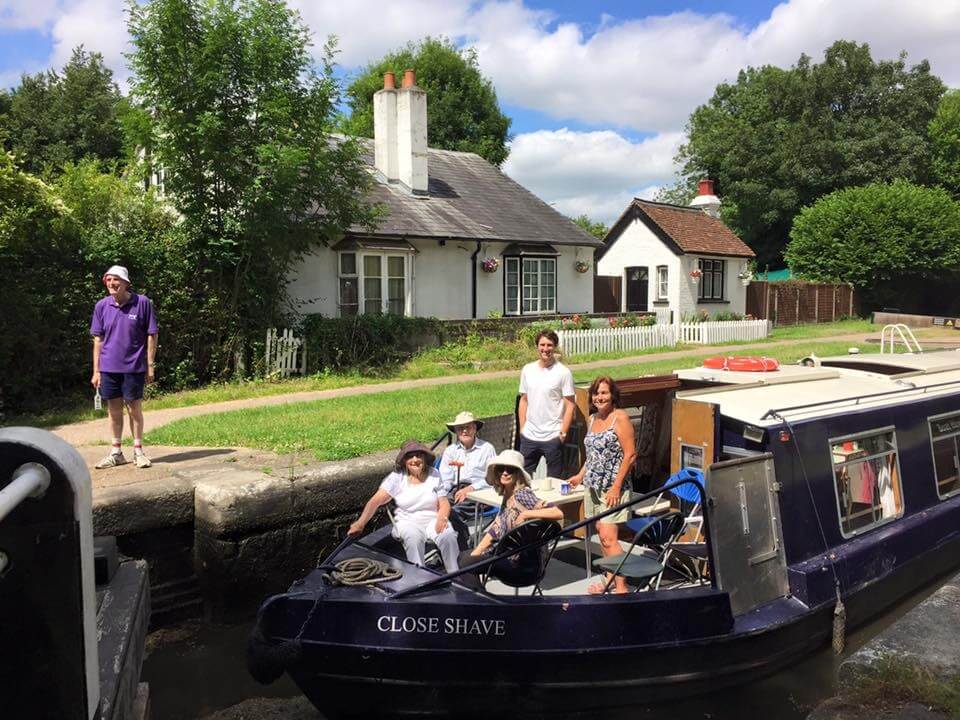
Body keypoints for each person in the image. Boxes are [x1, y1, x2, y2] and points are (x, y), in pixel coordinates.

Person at [567, 376, 636, 594]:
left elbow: (631, 455)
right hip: (593, 486)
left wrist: (616, 487)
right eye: (596, 393)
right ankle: (609, 579)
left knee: (608, 536)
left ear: (613, 395)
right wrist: (579, 475)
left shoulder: (621, 418)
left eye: (604, 393)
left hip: (613, 488)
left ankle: (622, 587)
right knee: (601, 534)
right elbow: (594, 455)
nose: (600, 397)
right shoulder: (592, 419)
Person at [457, 449, 563, 589]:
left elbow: (557, 513)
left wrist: (526, 514)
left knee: (465, 563)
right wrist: (477, 552)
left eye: (510, 470)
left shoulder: (522, 495)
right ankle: (480, 598)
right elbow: (495, 529)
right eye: (501, 469)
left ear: (518, 474)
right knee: (464, 557)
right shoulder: (507, 497)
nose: (505, 473)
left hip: (522, 566)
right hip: (508, 559)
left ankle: (481, 601)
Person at [348, 440, 459, 572]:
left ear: (424, 458)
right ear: (404, 461)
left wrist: (442, 518)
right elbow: (375, 501)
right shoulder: (397, 477)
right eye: (410, 456)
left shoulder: (434, 474)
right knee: (413, 538)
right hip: (407, 521)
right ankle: (419, 576)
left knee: (448, 535)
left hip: (432, 519)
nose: (415, 460)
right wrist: (361, 523)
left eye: (419, 455)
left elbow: (444, 502)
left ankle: (454, 573)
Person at [90, 265, 158, 469]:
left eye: (116, 280)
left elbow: (152, 333)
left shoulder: (143, 303)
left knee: (134, 409)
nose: (112, 283)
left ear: (126, 283)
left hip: (134, 367)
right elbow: (98, 340)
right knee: (113, 411)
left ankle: (138, 452)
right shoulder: (101, 306)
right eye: (108, 280)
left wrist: (150, 364)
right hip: (108, 368)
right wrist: (96, 371)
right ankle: (116, 452)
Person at [517, 329, 575, 477]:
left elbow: (570, 405)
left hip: (552, 436)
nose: (545, 349)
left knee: (554, 482)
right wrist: (522, 428)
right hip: (529, 436)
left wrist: (562, 433)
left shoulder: (563, 372)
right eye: (542, 345)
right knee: (522, 481)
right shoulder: (527, 370)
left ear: (554, 347)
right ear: (537, 346)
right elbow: (523, 400)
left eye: (549, 345)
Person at [438, 411, 497, 503]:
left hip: (479, 492)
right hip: (454, 490)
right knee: (439, 506)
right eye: (461, 428)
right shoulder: (450, 450)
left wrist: (472, 488)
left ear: (474, 429)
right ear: (456, 431)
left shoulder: (487, 448)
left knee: (456, 511)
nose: (464, 431)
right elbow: (445, 479)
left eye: (468, 427)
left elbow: (494, 478)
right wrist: (441, 496)